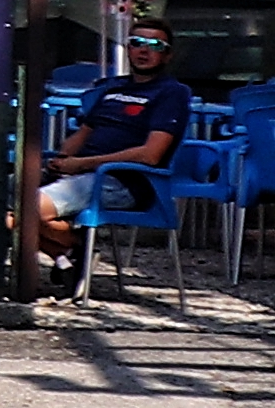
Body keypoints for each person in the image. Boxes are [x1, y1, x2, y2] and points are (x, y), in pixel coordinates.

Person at [29, 24, 192, 289]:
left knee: (25, 209)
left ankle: (75, 247)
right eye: (137, 42)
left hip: (124, 181)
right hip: (81, 173)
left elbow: (150, 156)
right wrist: (60, 159)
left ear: (168, 55)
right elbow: (82, 134)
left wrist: (80, 164)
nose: (144, 50)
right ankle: (67, 254)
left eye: (155, 46)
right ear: (128, 48)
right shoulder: (112, 89)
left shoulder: (171, 93)